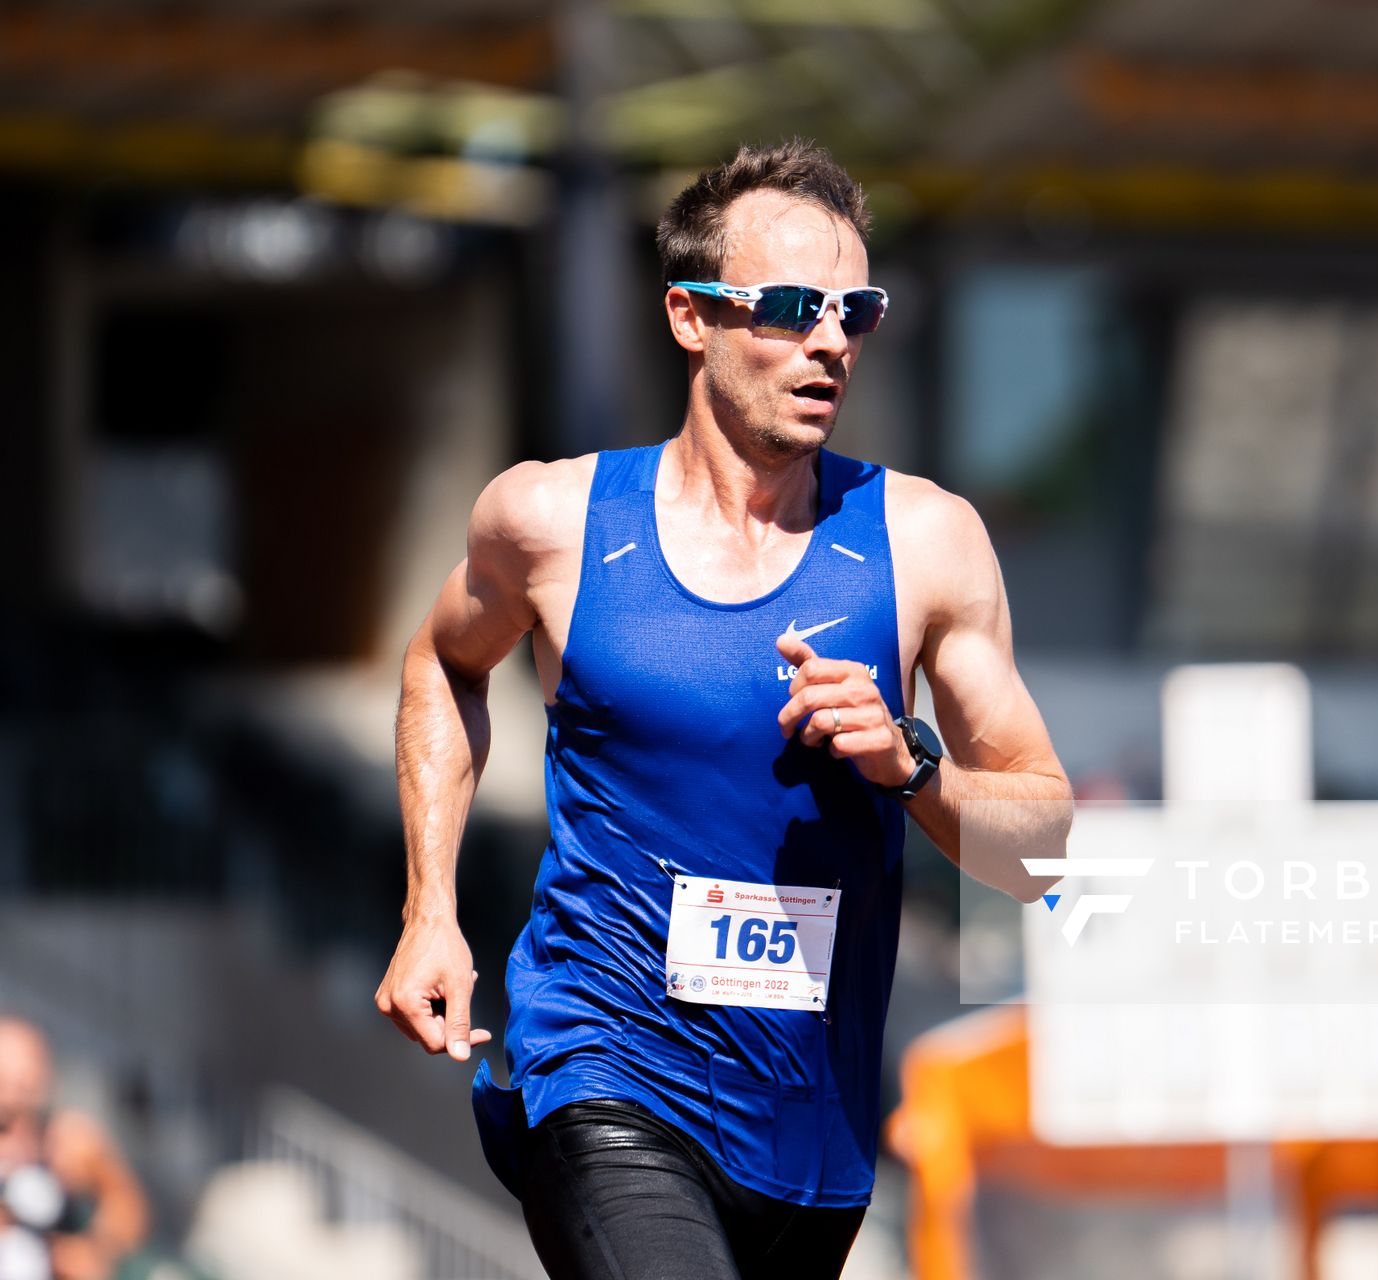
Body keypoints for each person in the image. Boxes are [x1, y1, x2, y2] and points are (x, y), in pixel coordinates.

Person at [374, 138, 1072, 1279]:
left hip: (812, 1131)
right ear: (690, 317)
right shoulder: (551, 522)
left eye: (858, 310)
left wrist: (911, 766)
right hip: (604, 1067)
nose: (832, 341)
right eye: (794, 307)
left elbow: (1043, 845)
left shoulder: (925, 542)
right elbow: (443, 664)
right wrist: (430, 906)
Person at [0, 1018, 148, 1280]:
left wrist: (96, 1249)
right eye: (6, 1067)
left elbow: (127, 1205)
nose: (16, 1082)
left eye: (27, 1068)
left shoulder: (67, 1140)